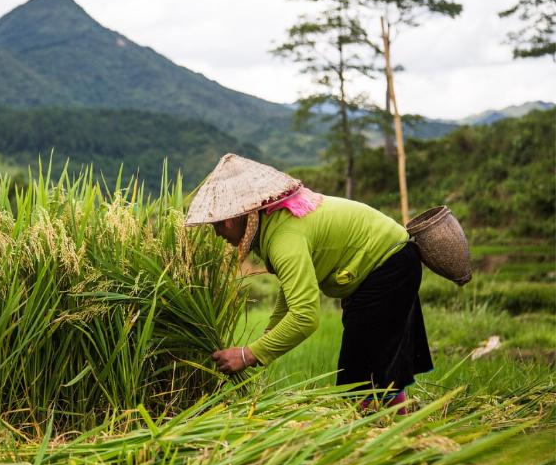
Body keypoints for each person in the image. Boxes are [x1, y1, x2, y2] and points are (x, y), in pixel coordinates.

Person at [184, 153, 433, 412]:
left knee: (358, 375)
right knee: (376, 362)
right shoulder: (276, 221)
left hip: (387, 264)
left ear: (230, 220)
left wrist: (249, 354)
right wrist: (270, 334)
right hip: (385, 262)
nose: (217, 234)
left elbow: (305, 315)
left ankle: (378, 436)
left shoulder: (284, 238)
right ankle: (396, 426)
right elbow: (293, 289)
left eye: (216, 226)